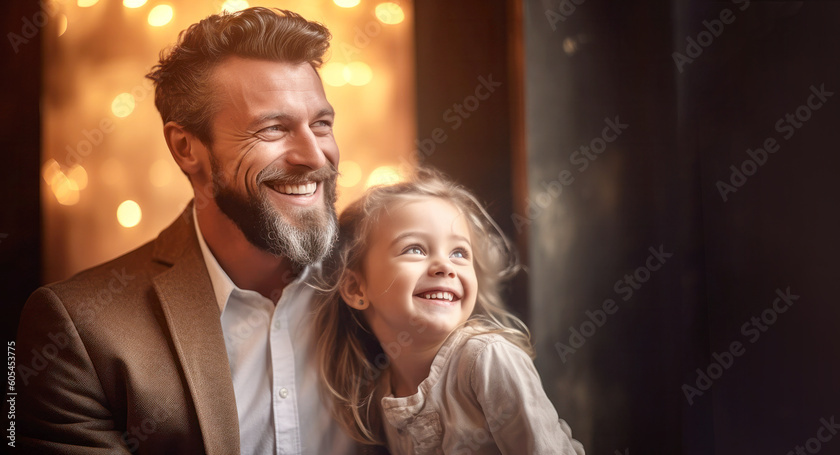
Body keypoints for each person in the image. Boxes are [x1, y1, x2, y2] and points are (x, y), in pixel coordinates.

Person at [16, 7, 368, 454]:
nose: (315, 156)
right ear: (186, 148)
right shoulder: (78, 331)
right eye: (274, 128)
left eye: (321, 124)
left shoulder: (391, 280)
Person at [314, 169, 585, 454]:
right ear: (357, 288)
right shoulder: (382, 390)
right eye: (415, 249)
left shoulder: (488, 359)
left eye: (459, 253)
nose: (445, 266)